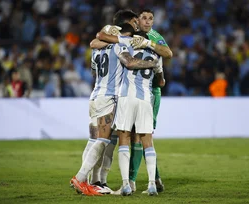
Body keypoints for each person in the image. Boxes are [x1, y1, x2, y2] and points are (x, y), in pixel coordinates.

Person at [70, 13, 159, 196]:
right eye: (135, 22)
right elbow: (129, 61)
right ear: (126, 25)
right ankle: (85, 179)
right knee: (105, 141)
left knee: (94, 139)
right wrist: (152, 64)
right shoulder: (121, 43)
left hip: (95, 95)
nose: (137, 26)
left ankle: (91, 182)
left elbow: (94, 60)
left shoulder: (97, 47)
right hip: (110, 97)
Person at [128, 8, 173, 193]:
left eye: (150, 19)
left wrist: (148, 43)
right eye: (144, 18)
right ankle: (155, 179)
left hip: (151, 92)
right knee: (135, 135)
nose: (147, 21)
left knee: (142, 135)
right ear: (137, 20)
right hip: (132, 92)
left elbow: (168, 53)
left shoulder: (154, 36)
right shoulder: (130, 35)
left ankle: (131, 180)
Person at [115, 31, 163, 196]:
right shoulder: (156, 54)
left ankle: (126, 185)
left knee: (124, 138)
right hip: (145, 99)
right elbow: (161, 81)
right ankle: (151, 185)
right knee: (147, 141)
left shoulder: (127, 46)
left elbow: (127, 63)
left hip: (127, 97)